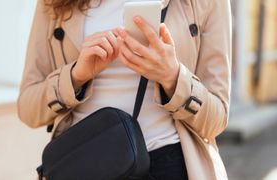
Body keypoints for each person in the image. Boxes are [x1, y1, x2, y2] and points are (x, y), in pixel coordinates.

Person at [17, 0, 231, 179]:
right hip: (85, 163)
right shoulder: (54, 3)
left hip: (169, 161)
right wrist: (75, 77)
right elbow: (28, 108)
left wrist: (173, 77)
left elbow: (217, 118)